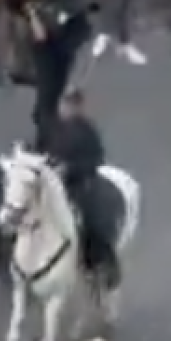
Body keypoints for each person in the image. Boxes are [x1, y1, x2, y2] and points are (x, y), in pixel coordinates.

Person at [42, 90, 115, 282]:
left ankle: (102, 262)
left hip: (79, 186)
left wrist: (70, 169)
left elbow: (97, 159)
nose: (64, 109)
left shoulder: (88, 131)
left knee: (91, 222)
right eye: (63, 104)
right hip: (54, 184)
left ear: (78, 107)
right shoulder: (54, 128)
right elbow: (47, 151)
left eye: (69, 105)